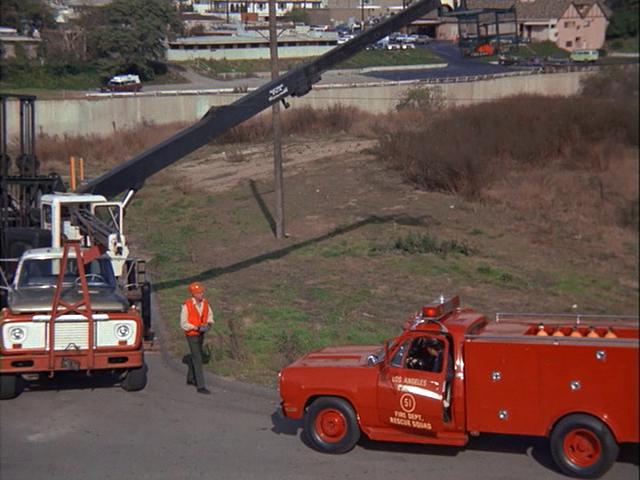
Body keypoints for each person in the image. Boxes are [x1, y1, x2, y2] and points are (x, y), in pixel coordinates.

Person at [180, 281, 214, 394]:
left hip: (201, 334)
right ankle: (200, 386)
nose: (201, 294)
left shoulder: (205, 303)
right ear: (193, 294)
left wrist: (208, 325)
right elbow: (183, 324)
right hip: (192, 335)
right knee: (198, 358)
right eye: (198, 293)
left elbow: (210, 316)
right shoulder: (187, 305)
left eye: (202, 292)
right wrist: (196, 327)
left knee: (196, 355)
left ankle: (190, 378)